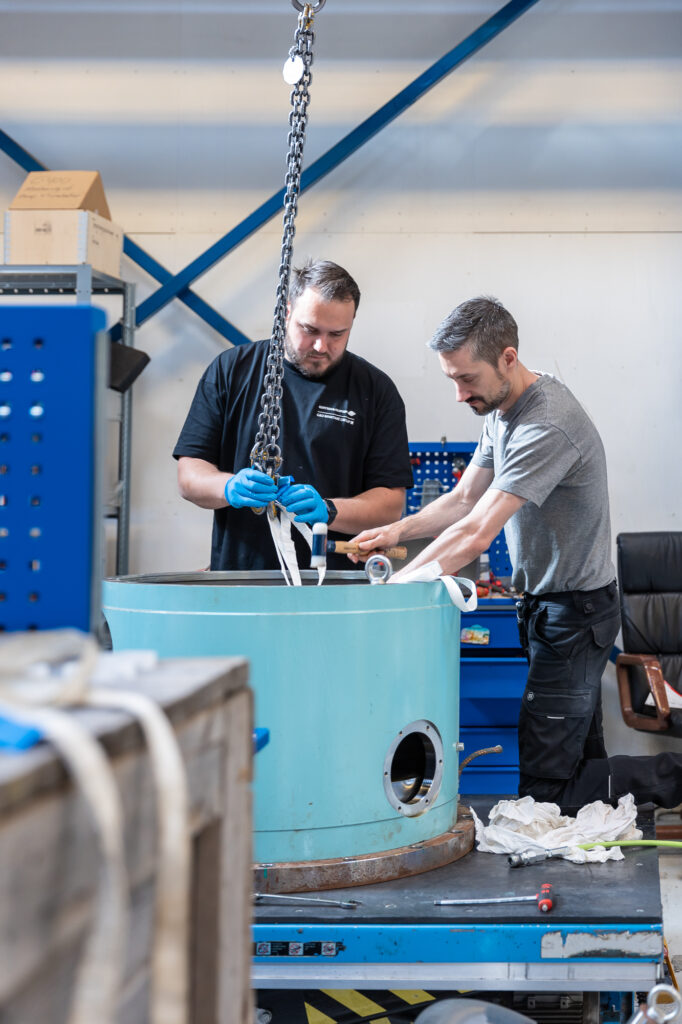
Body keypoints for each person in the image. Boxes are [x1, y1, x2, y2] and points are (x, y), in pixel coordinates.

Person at [351, 295, 682, 814]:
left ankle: (675, 778)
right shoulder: (503, 407)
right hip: (545, 609)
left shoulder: (545, 424)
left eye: (467, 379)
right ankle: (597, 834)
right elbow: (464, 499)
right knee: (570, 768)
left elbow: (478, 532)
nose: (460, 394)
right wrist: (392, 532)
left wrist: (396, 589)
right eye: (452, 379)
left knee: (546, 793)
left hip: (574, 615)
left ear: (507, 357)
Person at [173, 259, 413, 571]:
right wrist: (229, 487)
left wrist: (329, 510)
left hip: (334, 586)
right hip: (242, 579)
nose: (320, 345)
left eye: (336, 334)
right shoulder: (231, 371)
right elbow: (190, 476)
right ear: (286, 313)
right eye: (309, 329)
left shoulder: (375, 391)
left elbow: (391, 505)